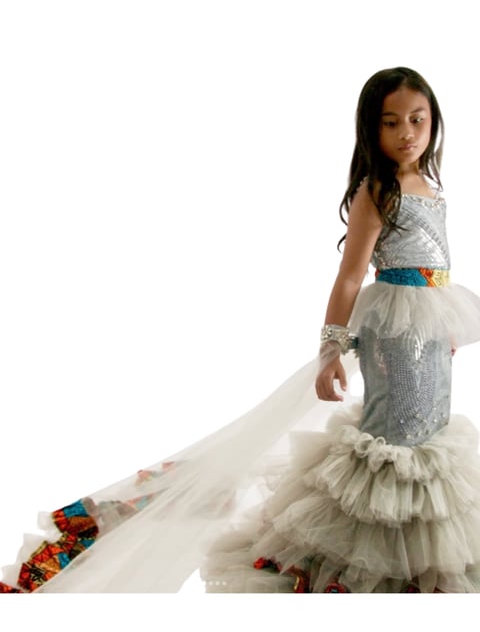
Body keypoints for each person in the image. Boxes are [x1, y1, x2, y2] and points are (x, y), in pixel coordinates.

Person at [2, 66, 480, 594]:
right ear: (372, 131)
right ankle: (362, 570)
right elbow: (349, 278)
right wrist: (331, 352)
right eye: (391, 123)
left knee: (429, 438)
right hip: (393, 337)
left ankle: (416, 569)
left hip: (430, 337)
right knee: (397, 444)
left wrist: (445, 329)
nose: (407, 133)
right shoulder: (378, 191)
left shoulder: (432, 190)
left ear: (435, 121)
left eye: (418, 119)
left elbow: (436, 272)